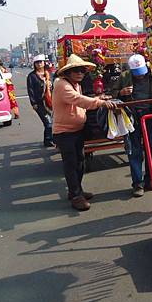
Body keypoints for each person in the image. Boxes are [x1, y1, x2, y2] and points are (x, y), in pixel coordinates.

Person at [52, 54, 116, 211]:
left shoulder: (76, 84)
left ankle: (77, 190)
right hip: (64, 132)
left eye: (83, 70)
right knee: (71, 163)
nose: (80, 73)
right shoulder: (61, 84)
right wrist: (100, 102)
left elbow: (80, 98)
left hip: (77, 129)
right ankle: (75, 195)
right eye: (77, 70)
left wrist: (97, 98)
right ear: (68, 72)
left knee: (80, 162)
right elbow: (77, 100)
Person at [112, 54, 152, 197]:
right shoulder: (125, 76)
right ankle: (137, 183)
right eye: (136, 73)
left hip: (150, 116)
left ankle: (150, 180)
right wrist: (121, 92)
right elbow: (112, 92)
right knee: (135, 151)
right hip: (132, 117)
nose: (139, 76)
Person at [27, 54, 53, 147]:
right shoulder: (32, 76)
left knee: (53, 122)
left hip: (51, 102)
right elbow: (30, 91)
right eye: (36, 63)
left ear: (44, 63)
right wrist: (33, 103)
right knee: (48, 122)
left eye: (40, 62)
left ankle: (50, 139)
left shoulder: (49, 74)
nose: (39, 64)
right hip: (39, 103)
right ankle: (49, 140)